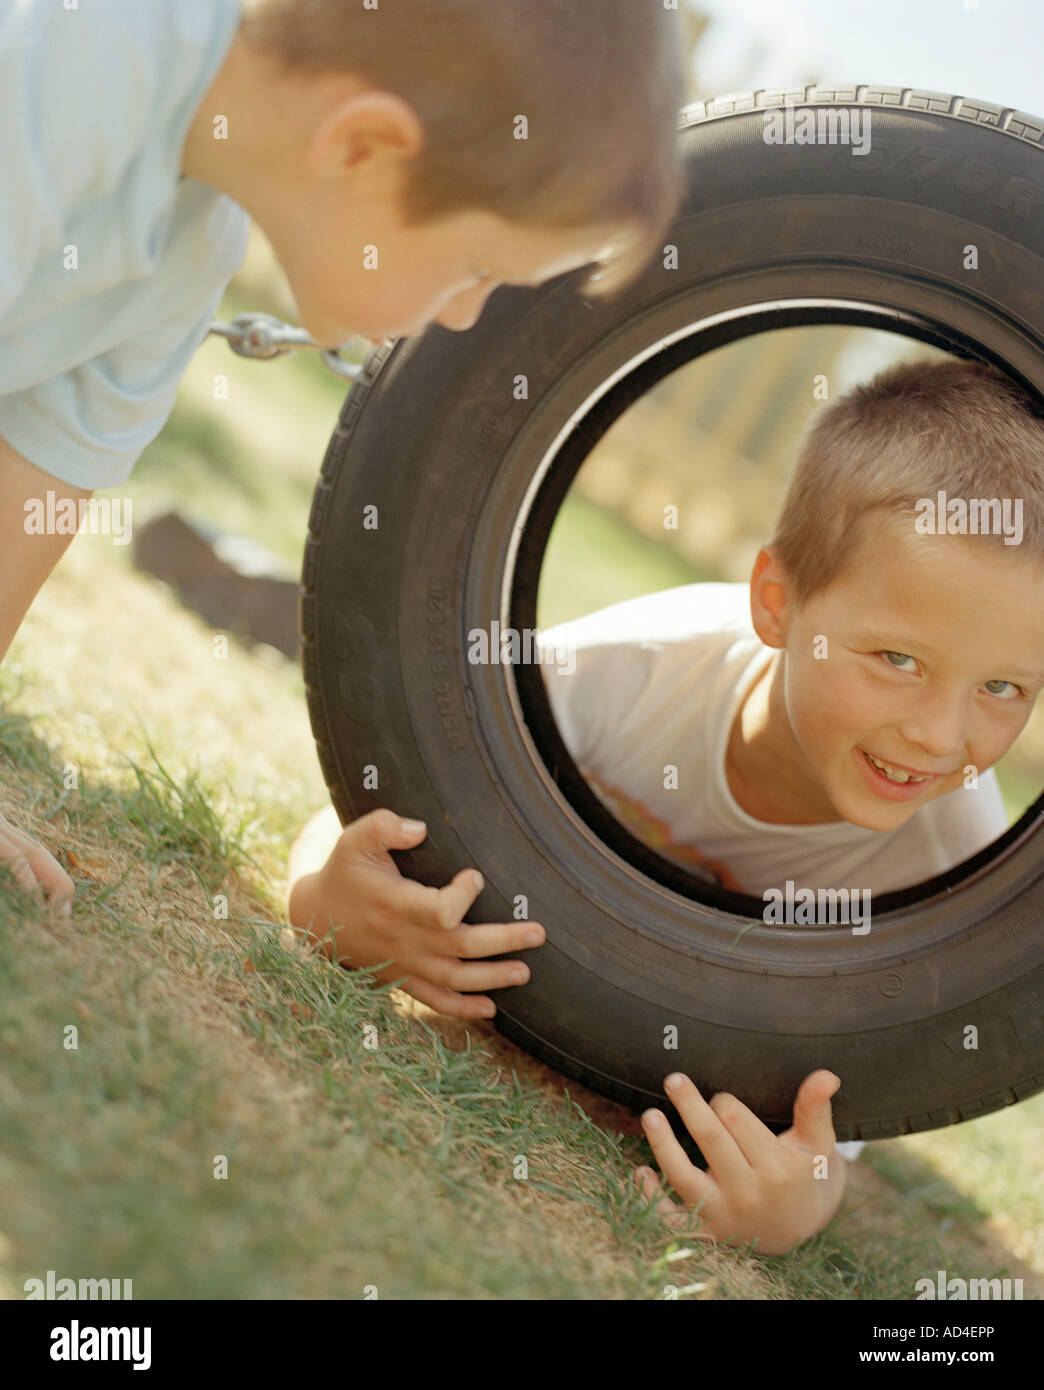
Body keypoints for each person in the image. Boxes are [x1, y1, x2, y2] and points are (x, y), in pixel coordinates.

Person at [285, 355, 1044, 1254]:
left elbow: (850, 1094)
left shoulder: (966, 872)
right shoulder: (642, 668)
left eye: (1002, 686)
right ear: (777, 602)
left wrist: (804, 1197)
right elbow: (394, 797)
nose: (939, 735)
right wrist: (324, 897)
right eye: (898, 661)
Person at [0, 0, 685, 896]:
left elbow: (37, 479)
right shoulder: (69, 58)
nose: (463, 313)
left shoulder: (190, 247)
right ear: (362, 146)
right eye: (476, 268)